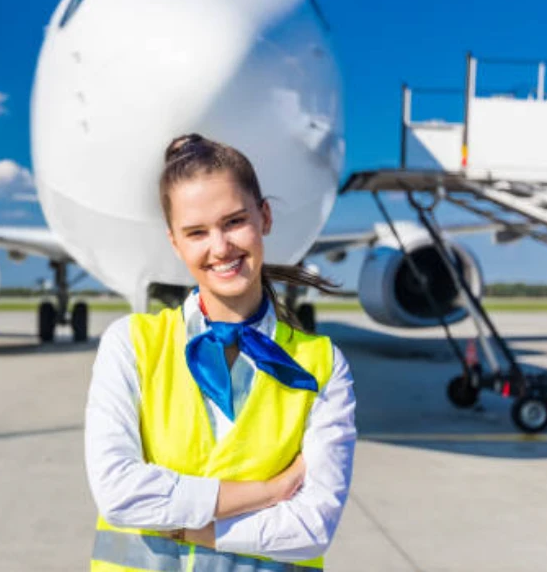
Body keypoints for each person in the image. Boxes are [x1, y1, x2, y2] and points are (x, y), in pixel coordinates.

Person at [84, 133, 356, 571]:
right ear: (175, 242)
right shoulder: (130, 344)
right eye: (196, 232)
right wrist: (267, 494)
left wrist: (188, 528)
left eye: (233, 222)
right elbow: (118, 495)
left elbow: (312, 528)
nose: (220, 247)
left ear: (264, 217)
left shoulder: (322, 364)